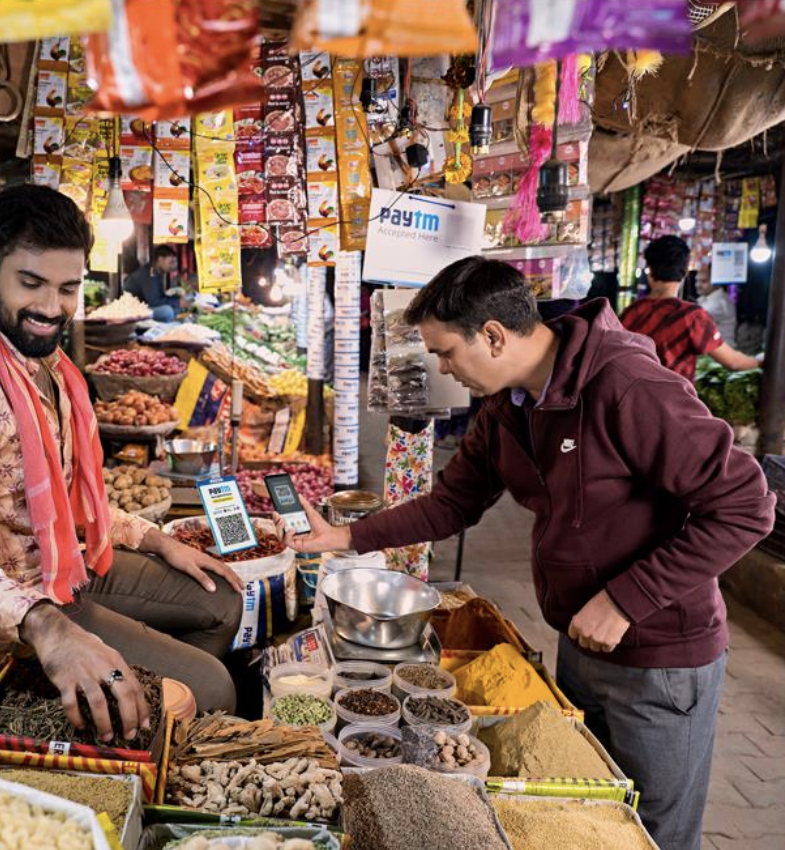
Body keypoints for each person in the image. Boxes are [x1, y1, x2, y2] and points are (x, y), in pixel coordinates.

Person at [281, 256, 774, 850]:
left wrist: (624, 601)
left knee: (655, 833)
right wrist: (347, 537)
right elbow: (451, 504)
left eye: (445, 353)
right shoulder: (508, 407)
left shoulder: (628, 386)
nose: (442, 368)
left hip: (663, 658)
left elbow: (747, 505)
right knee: (587, 821)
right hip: (583, 640)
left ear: (492, 334)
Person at [0, 185, 243, 742]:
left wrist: (153, 539)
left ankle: (134, 713)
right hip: (9, 604)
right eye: (31, 283)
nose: (51, 307)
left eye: (68, 288)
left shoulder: (48, 365)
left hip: (67, 565)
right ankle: (127, 720)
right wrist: (43, 625)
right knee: (214, 687)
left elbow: (69, 497)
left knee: (224, 601)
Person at [620, 235, 759, 380]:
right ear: (685, 272)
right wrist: (761, 361)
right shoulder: (692, 317)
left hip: (631, 399)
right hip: (674, 400)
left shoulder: (630, 313)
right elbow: (734, 363)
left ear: (649, 271)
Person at [124, 244, 181, 321]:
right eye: (171, 262)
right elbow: (154, 301)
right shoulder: (149, 273)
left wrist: (177, 299)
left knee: (177, 308)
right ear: (160, 260)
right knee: (167, 311)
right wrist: (177, 302)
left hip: (145, 307)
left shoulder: (155, 272)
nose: (173, 266)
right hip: (132, 310)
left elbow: (160, 297)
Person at [696, 265, 738, 346]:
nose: (698, 285)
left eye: (703, 281)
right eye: (697, 281)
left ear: (717, 282)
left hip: (723, 352)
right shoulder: (705, 299)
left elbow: (693, 319)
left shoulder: (720, 303)